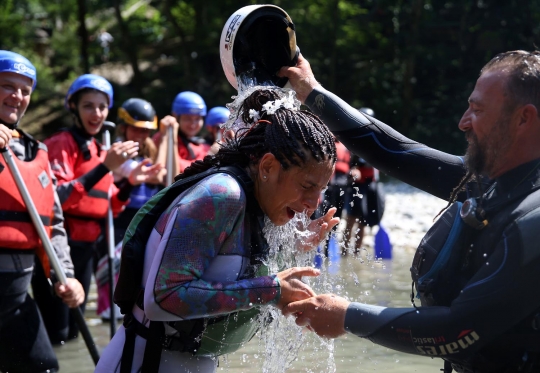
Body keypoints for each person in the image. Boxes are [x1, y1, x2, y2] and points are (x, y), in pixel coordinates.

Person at [279, 51, 540, 373]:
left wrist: (346, 316)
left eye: (478, 109)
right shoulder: (488, 182)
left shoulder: (534, 214)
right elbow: (391, 149)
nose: (463, 122)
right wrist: (310, 91)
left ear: (523, 119)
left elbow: (458, 331)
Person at [95, 87, 340, 372]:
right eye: (307, 186)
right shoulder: (221, 195)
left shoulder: (256, 204)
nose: (313, 204)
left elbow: (241, 280)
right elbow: (161, 298)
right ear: (268, 166)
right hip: (144, 362)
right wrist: (271, 290)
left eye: (321, 190)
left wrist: (294, 250)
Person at [32, 74, 160, 344]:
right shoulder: (61, 143)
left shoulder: (100, 148)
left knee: (74, 331)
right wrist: (106, 166)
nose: (97, 113)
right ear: (73, 107)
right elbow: (56, 199)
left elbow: (109, 204)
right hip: (58, 246)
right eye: (88, 106)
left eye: (102, 107)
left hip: (88, 248)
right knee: (58, 332)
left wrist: (128, 183)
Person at [0, 50, 84, 373]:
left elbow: (55, 224)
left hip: (18, 293)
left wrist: (68, 276)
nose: (17, 97)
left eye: (25, 91)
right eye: (8, 86)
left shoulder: (36, 152)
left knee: (45, 367)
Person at [96, 97, 165, 319]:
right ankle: (108, 312)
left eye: (145, 131)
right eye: (136, 129)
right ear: (124, 127)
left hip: (144, 216)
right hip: (120, 217)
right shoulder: (115, 150)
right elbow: (148, 171)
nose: (141, 135)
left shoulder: (150, 149)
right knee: (115, 264)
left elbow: (162, 174)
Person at [344, 107, 385, 253]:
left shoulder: (376, 140)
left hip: (370, 186)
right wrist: (352, 169)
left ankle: (356, 252)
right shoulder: (351, 139)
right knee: (350, 220)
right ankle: (343, 253)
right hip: (356, 186)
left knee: (363, 222)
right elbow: (347, 161)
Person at [153, 91, 210, 178]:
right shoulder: (163, 138)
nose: (193, 124)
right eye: (187, 118)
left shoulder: (199, 145)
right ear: (175, 116)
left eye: (197, 119)